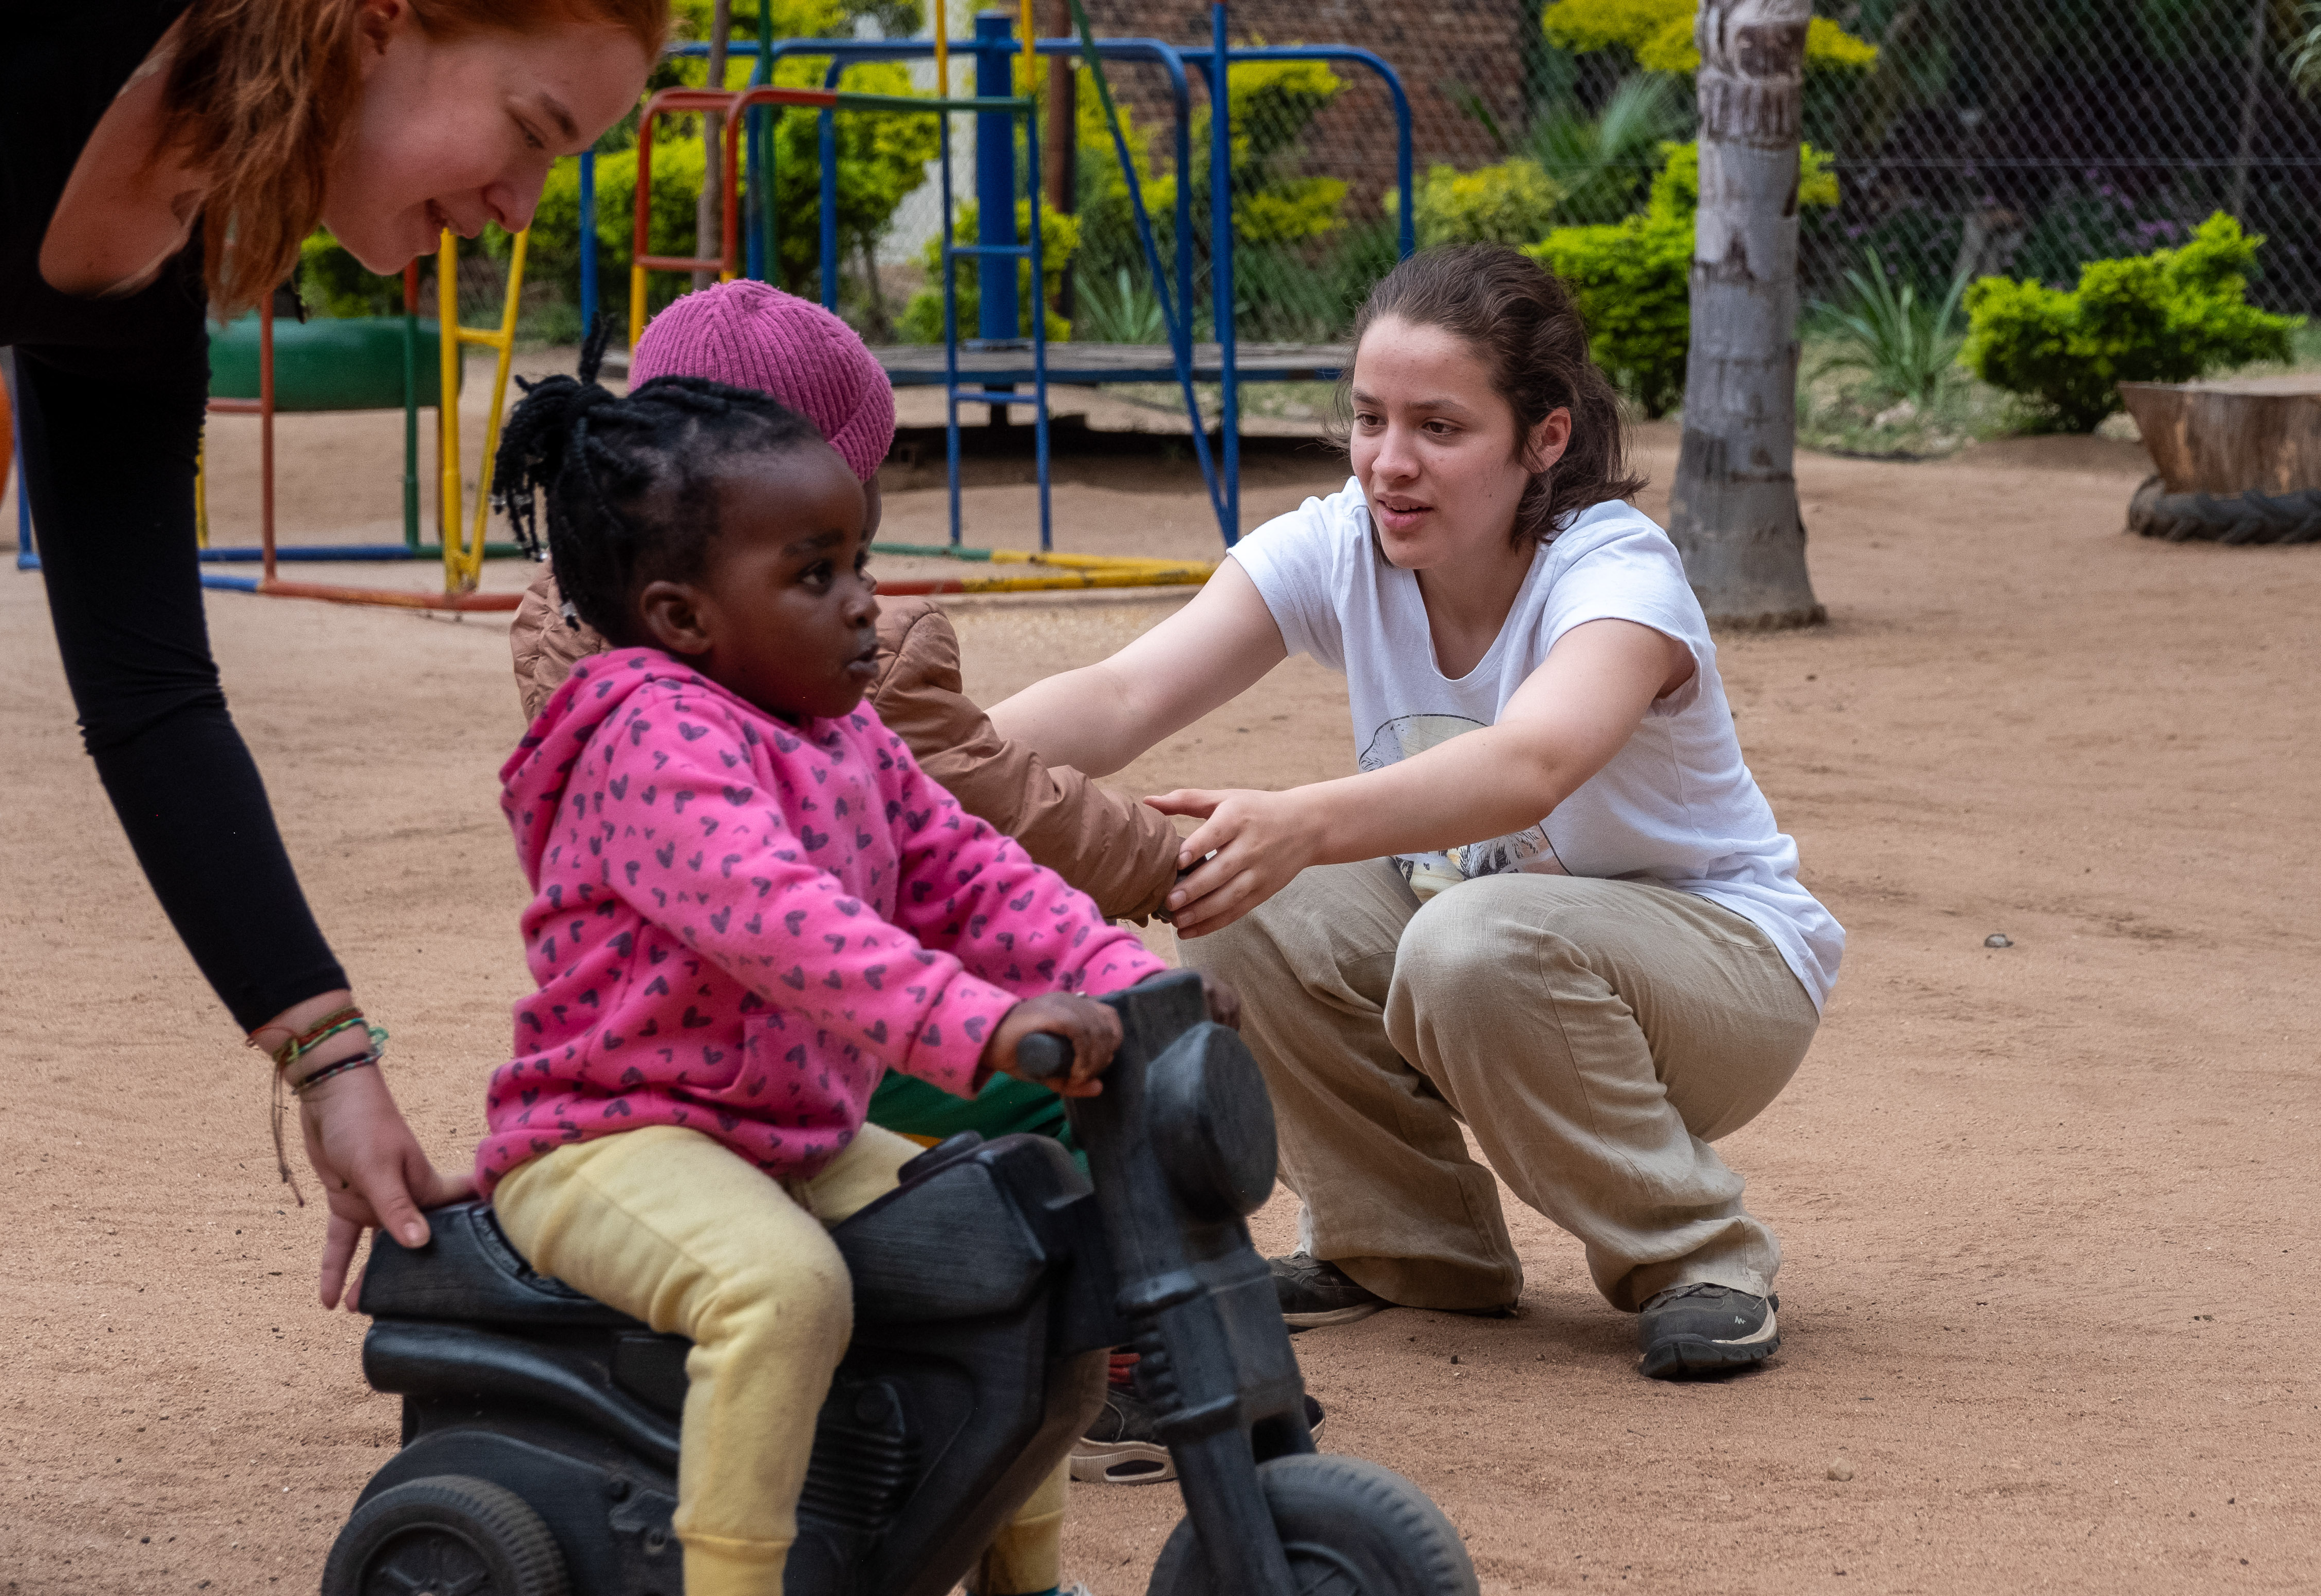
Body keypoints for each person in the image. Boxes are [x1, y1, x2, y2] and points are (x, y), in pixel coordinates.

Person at [987, 244, 1845, 1380]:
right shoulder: (1343, 542)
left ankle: (1698, 1256)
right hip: (1493, 947)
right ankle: (1404, 1247)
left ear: (1543, 436)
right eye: (1369, 420)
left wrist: (1305, 818)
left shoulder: (1614, 568)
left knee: (1467, 937)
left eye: (1440, 428)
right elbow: (1124, 693)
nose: (1391, 464)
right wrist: (913, 768)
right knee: (1231, 884)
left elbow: (1533, 762)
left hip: (1719, 979)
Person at [507, 284, 1313, 1486]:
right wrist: (1001, 1011)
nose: (867, 597)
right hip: (661, 1108)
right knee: (842, 1256)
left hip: (795, 1082)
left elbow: (973, 865)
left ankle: (1021, 1559)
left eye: (860, 556)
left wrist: (1129, 977)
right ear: (693, 580)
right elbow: (798, 919)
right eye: (822, 562)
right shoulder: (651, 737)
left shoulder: (815, 705)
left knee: (1002, 1235)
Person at [0, 0, 666, 1306]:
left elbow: (152, 697)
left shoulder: (150, 283)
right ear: (378, 26)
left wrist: (334, 1067)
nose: (520, 206)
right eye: (531, 132)